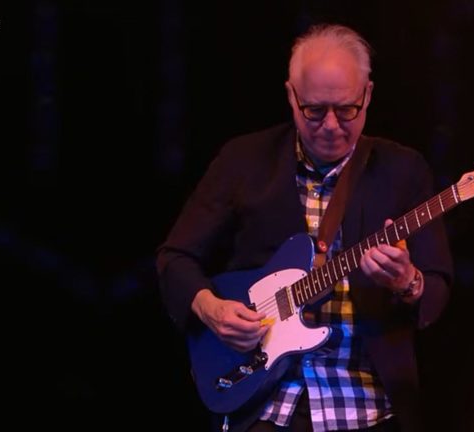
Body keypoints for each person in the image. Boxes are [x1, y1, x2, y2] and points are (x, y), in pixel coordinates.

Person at [156, 23, 453, 432]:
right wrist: (212, 309)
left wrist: (408, 282)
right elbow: (175, 259)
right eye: (314, 111)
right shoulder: (244, 161)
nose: (331, 125)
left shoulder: (403, 171)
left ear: (367, 94)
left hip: (366, 403)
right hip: (265, 402)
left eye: (347, 109)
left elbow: (436, 288)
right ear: (291, 97)